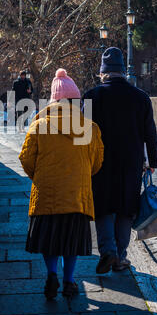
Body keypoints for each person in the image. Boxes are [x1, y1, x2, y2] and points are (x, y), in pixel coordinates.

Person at [19, 69, 104, 299]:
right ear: (76, 101)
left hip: (46, 195)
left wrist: (40, 178)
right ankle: (69, 281)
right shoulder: (90, 128)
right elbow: (96, 163)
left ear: (53, 101)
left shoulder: (39, 126)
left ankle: (52, 274)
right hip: (77, 196)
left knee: (49, 240)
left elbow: (26, 160)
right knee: (71, 241)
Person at [82, 47, 157, 274]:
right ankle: (121, 257)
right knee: (126, 209)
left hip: (100, 163)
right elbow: (150, 134)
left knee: (104, 207)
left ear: (102, 73)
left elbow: (82, 137)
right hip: (131, 163)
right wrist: (153, 160)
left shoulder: (91, 97)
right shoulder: (141, 98)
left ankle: (108, 250)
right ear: (123, 71)